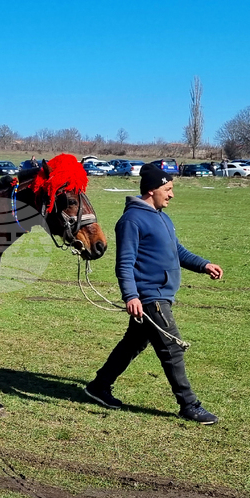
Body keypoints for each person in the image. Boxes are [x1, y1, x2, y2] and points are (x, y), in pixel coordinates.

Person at [84, 163, 224, 424]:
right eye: (168, 189)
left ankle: (98, 386)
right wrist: (131, 296)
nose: (171, 194)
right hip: (150, 297)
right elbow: (124, 263)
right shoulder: (131, 220)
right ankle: (189, 404)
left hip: (159, 294)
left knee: (132, 344)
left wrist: (204, 265)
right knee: (172, 349)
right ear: (152, 190)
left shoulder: (162, 217)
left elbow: (177, 251)